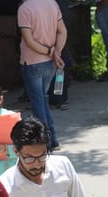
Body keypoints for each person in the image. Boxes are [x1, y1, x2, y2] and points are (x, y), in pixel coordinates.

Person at [17, 0, 66, 148]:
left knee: (38, 103)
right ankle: (52, 138)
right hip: (50, 63)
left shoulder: (25, 8)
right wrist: (56, 52)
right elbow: (63, 31)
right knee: (42, 100)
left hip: (32, 62)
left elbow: (29, 40)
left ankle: (45, 142)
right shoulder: (52, 3)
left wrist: (50, 52)